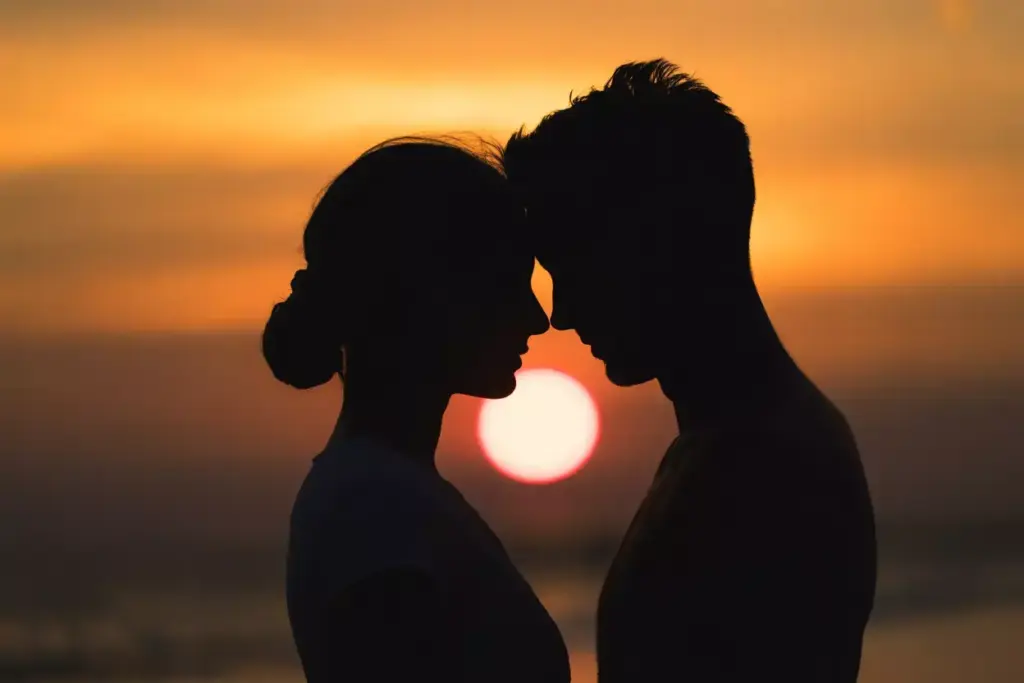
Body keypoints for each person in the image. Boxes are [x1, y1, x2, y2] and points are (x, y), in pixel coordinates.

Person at [502, 60, 877, 682]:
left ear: (662, 241)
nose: (561, 314)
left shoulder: (764, 472)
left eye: (574, 266)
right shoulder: (732, 444)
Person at [264, 138, 569, 683]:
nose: (537, 317)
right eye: (508, 285)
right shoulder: (374, 507)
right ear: (427, 294)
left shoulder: (381, 494)